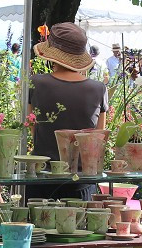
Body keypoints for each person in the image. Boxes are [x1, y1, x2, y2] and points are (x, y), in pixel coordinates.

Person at [29, 23, 109, 199]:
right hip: (83, 180)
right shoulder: (98, 89)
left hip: (42, 176)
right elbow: (97, 137)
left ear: (52, 55)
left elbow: (32, 126)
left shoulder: (36, 83)